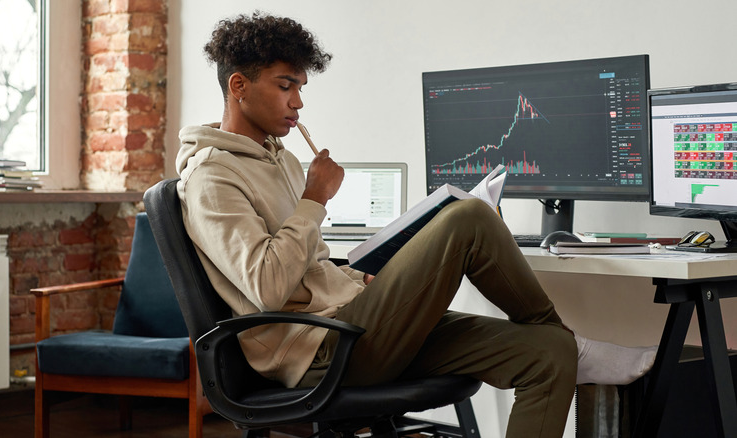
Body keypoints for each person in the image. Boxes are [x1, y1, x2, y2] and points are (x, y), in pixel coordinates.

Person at [175, 12, 656, 438]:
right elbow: (267, 287)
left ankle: (567, 343)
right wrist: (314, 199)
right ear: (239, 86)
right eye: (285, 86)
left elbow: (308, 267)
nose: (298, 102)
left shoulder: (277, 159)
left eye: (301, 87)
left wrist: (356, 277)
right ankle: (576, 341)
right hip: (323, 354)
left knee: (548, 354)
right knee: (466, 215)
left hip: (355, 325)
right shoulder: (213, 177)